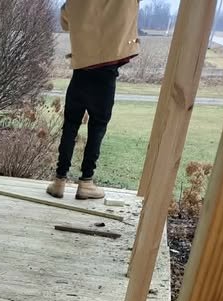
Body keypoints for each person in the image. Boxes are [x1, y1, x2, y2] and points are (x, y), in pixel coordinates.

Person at [47, 0, 140, 201]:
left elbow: (65, 21)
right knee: (97, 128)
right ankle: (86, 182)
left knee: (70, 126)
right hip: (105, 75)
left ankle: (59, 181)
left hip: (80, 73)